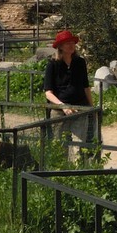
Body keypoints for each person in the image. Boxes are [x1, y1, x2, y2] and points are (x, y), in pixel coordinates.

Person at [43, 29, 95, 161]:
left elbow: (85, 87)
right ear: (60, 46)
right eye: (67, 43)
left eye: (72, 42)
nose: (71, 45)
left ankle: (76, 175)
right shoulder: (52, 65)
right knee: (59, 146)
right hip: (59, 110)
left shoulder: (80, 62)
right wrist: (63, 106)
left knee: (78, 146)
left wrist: (91, 107)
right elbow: (48, 93)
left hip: (79, 108)